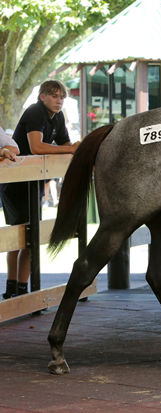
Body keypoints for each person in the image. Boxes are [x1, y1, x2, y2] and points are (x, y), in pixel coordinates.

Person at [0, 80, 79, 299]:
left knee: (30, 238)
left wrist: (73, 149)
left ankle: (21, 290)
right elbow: (36, 147)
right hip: (16, 183)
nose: (59, 101)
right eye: (54, 96)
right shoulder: (35, 112)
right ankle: (14, 289)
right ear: (42, 96)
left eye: (61, 97)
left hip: (34, 182)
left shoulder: (58, 117)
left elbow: (66, 145)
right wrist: (70, 149)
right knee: (19, 237)